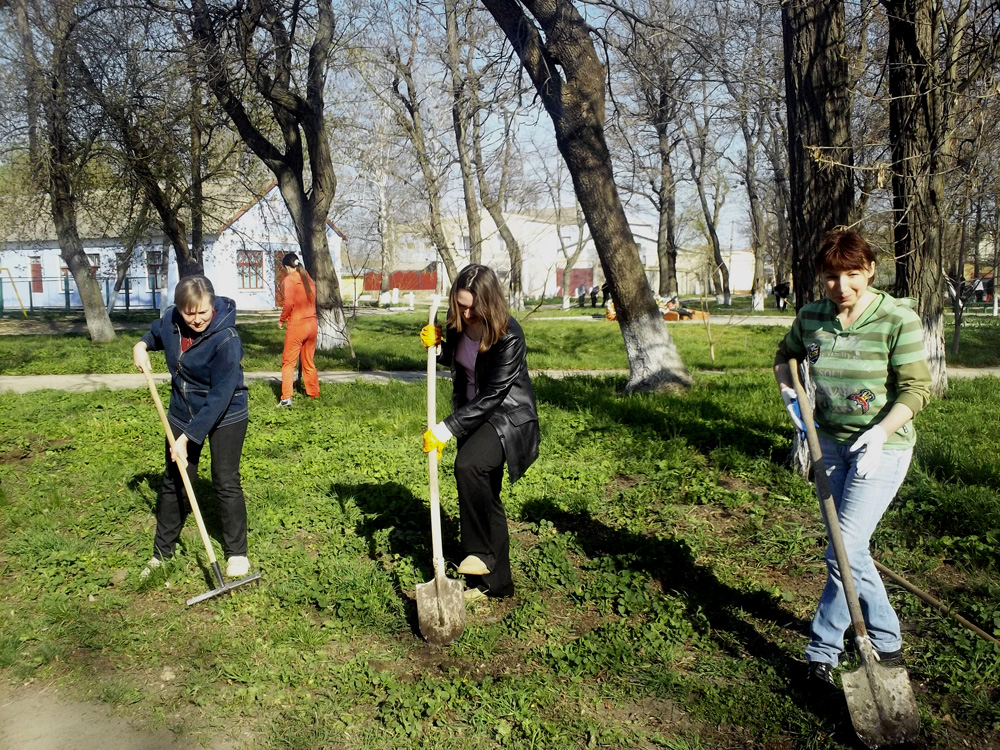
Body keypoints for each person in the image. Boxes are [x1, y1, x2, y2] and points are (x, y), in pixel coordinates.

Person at [773, 229, 930, 691]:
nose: (841, 286)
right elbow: (786, 355)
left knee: (842, 550)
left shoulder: (897, 318)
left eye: (852, 274)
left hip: (882, 449)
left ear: (871, 271)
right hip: (830, 447)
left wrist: (880, 433)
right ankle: (884, 639)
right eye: (830, 276)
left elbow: (916, 389)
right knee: (850, 551)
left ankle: (824, 650)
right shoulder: (812, 317)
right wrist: (788, 392)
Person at [420, 264, 540, 601]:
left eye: (473, 307)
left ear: (489, 302)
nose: (466, 314)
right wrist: (439, 349)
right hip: (472, 414)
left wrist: (446, 428)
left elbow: (493, 394)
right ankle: (497, 584)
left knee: (469, 466)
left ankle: (481, 554)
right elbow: (462, 360)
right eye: (461, 305)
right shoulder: (459, 323)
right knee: (485, 492)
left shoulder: (509, 335)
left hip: (505, 418)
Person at [132, 275, 251, 578]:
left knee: (225, 479)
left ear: (213, 305)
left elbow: (220, 396)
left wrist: (188, 438)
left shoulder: (227, 339)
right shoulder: (172, 321)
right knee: (175, 478)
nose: (197, 319)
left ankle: (237, 553)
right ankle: (162, 553)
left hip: (225, 412)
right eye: (189, 313)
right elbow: (156, 333)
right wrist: (141, 345)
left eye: (203, 312)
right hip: (182, 410)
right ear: (179, 309)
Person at [277, 252, 319, 406]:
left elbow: (289, 303)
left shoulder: (290, 279)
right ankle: (314, 394)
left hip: (297, 325)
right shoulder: (308, 278)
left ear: (287, 267)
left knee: (288, 363)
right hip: (312, 324)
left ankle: (286, 398)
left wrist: (281, 320)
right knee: (308, 361)